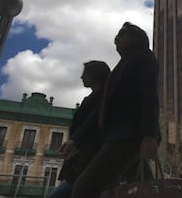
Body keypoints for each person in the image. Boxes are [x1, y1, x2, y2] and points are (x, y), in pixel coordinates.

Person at [63, 22, 160, 198]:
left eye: (122, 34)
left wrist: (149, 134)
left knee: (84, 189)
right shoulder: (121, 67)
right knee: (145, 188)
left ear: (136, 38)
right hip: (118, 137)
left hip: (129, 137)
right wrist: (76, 140)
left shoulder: (143, 57)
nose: (116, 38)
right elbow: (102, 110)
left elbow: (149, 95)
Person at [47, 60, 111, 198]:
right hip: (81, 160)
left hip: (90, 157)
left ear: (95, 75)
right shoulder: (92, 98)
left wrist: (75, 141)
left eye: (85, 73)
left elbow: (93, 121)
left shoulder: (104, 98)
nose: (82, 77)